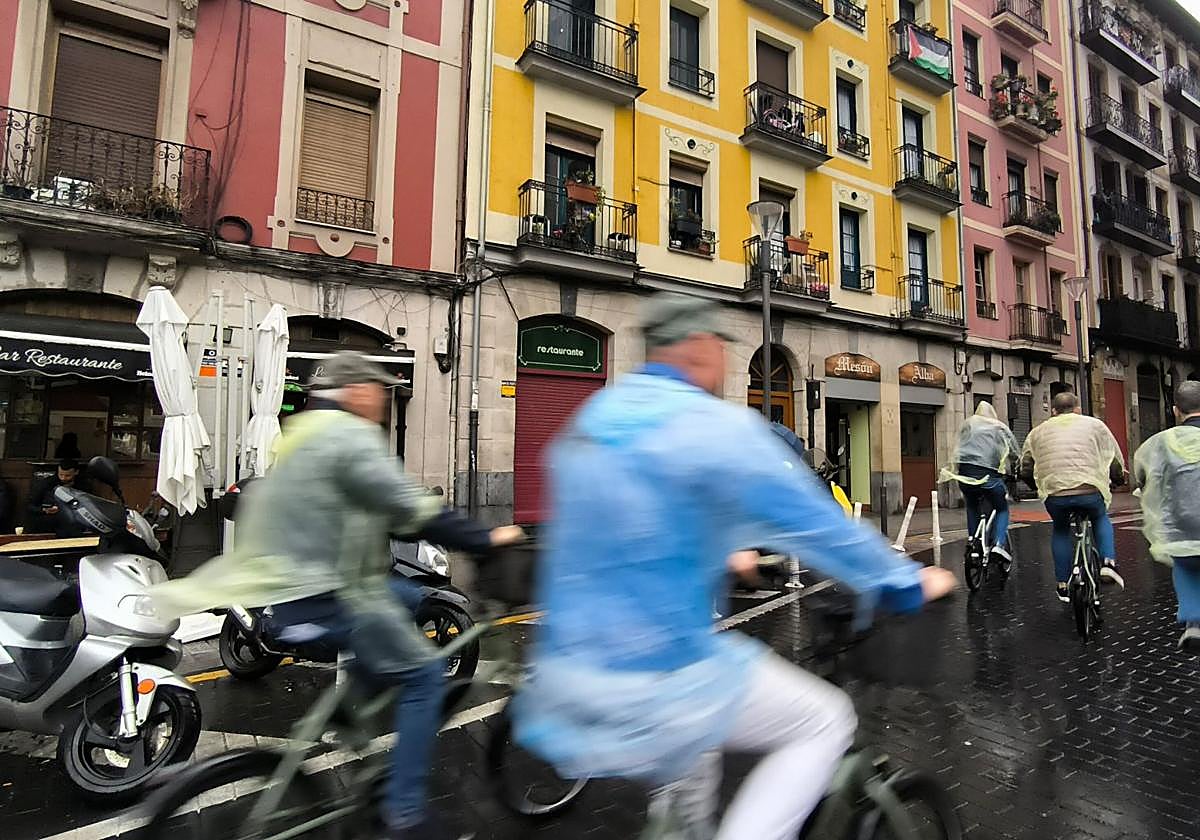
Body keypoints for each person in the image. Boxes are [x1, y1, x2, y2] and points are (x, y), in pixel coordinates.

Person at [512, 293, 957, 840]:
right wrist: (906, 581)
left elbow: (632, 523)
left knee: (685, 792)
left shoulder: (592, 419)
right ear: (699, 348)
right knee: (824, 719)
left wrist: (719, 550)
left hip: (568, 678)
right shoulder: (715, 427)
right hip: (663, 676)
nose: (725, 362)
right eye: (722, 347)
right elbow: (819, 525)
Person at [152, 352, 521, 840]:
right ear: (359, 391)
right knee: (426, 676)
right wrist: (484, 539)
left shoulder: (302, 431)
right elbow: (408, 505)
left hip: (289, 591)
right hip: (328, 596)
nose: (386, 400)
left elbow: (351, 504)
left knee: (408, 600)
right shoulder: (350, 437)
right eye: (381, 389)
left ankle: (352, 709)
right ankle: (404, 814)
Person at [1020, 391, 1127, 603]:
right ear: (1077, 409)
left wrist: (1036, 485)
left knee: (1060, 529)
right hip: (1090, 489)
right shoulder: (1095, 425)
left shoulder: (1037, 431)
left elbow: (1026, 466)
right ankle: (1108, 563)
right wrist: (1117, 479)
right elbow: (1113, 457)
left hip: (1055, 494)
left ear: (1053, 411)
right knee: (1100, 517)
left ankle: (1062, 584)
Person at [1133, 380, 1200, 652]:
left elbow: (1144, 475)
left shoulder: (1162, 442)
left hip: (1182, 521)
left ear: (1175, 410)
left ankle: (1194, 622)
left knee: (1186, 564)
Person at [941, 402, 1020, 567]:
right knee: (1001, 508)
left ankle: (973, 541)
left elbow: (957, 448)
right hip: (990, 477)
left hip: (965, 477)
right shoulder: (999, 427)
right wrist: (1014, 468)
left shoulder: (967, 424)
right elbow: (1014, 451)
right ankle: (998, 544)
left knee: (971, 505)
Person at [26, 458, 90, 535]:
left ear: (76, 472)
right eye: (61, 475)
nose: (63, 478)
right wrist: (45, 510)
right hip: (49, 518)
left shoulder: (83, 485)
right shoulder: (47, 483)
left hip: (73, 518)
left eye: (67, 475)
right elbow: (30, 505)